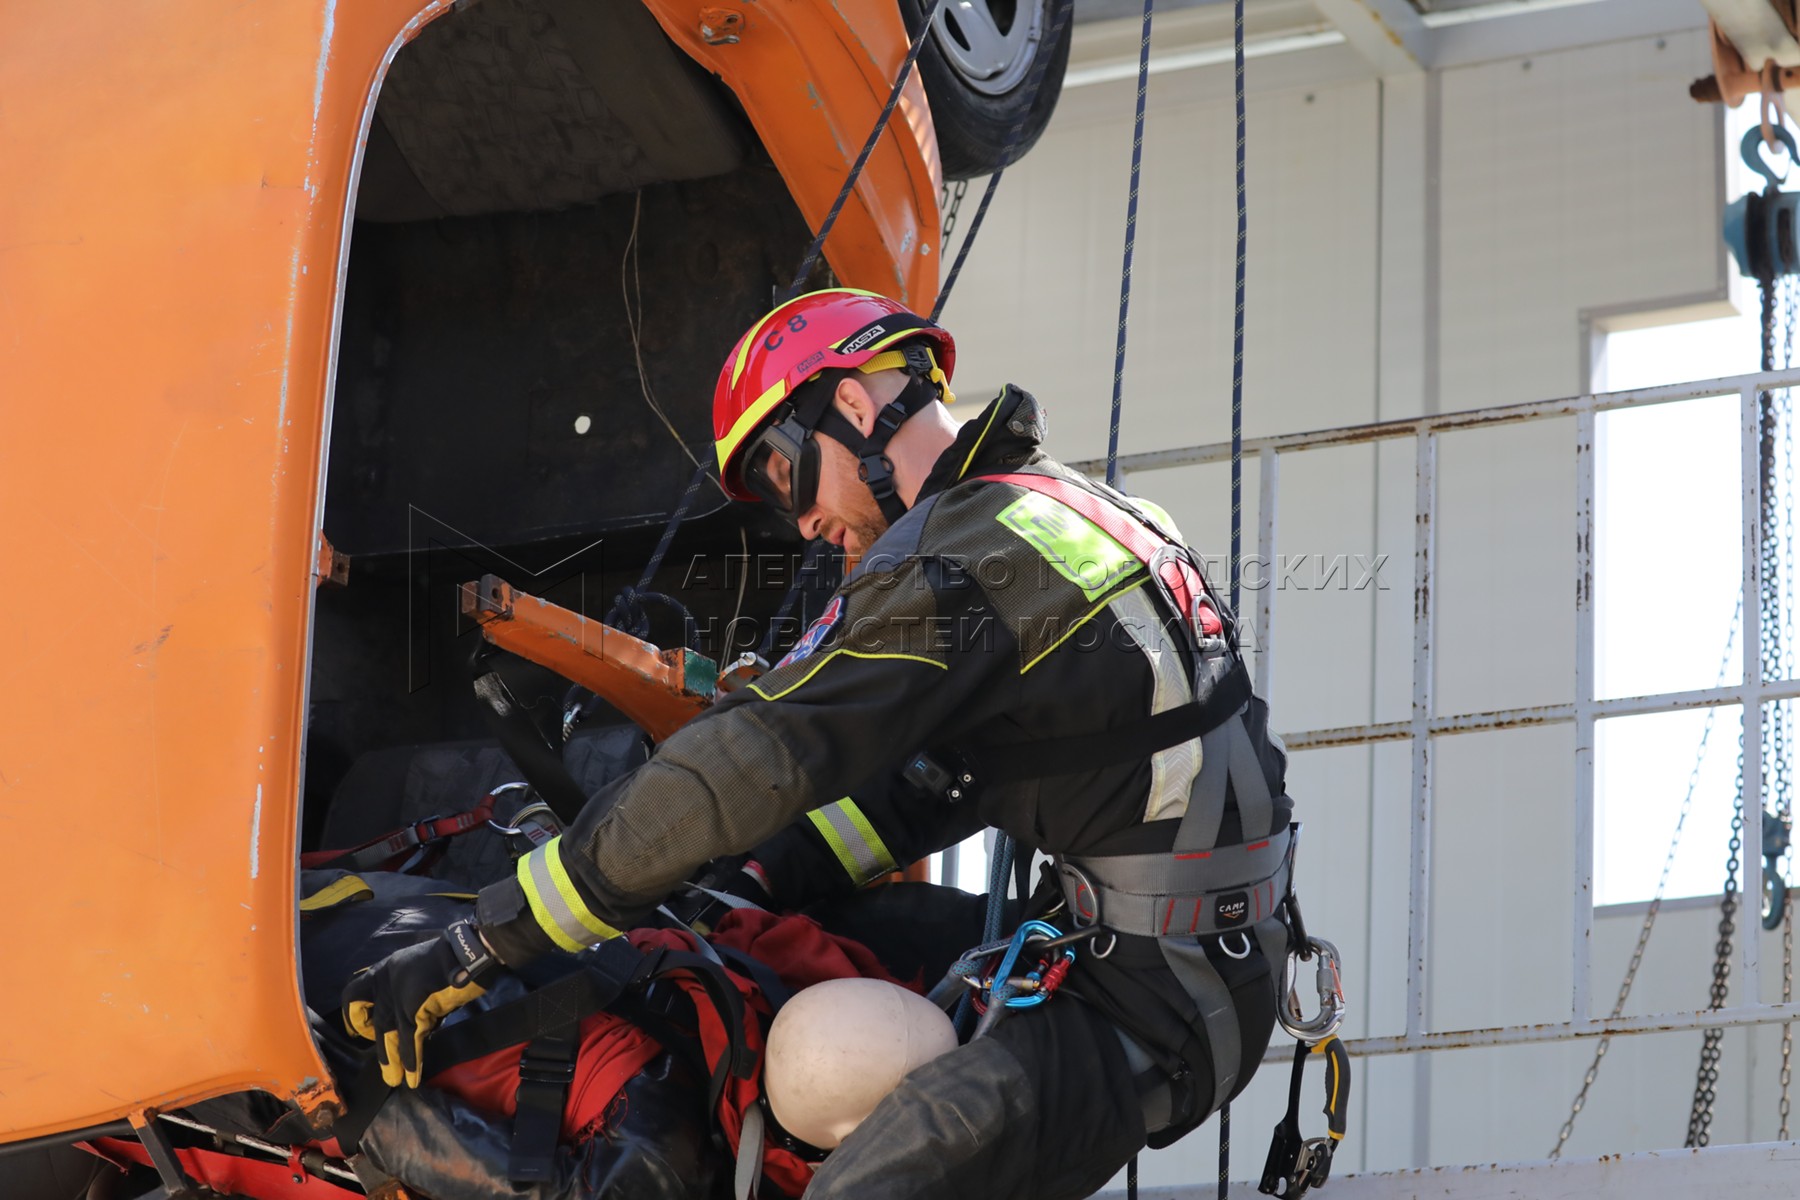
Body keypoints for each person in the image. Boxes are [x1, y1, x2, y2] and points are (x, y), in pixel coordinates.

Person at [345, 288, 1298, 1199]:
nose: (800, 521)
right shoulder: (1069, 514)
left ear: (850, 402)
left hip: (1151, 1004)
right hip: (1168, 954)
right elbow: (934, 785)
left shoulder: (972, 557)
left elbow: (756, 756)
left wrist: (490, 936)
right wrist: (755, 884)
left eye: (781, 470)